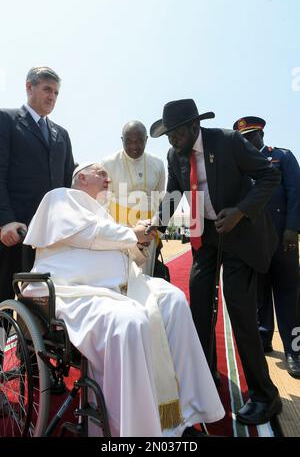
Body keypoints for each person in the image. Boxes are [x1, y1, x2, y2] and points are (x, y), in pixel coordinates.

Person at [21, 162, 225, 437]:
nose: (108, 179)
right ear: (81, 177)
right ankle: (133, 432)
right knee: (129, 321)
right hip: (75, 289)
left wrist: (138, 239)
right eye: (101, 174)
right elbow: (89, 236)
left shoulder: (102, 212)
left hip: (119, 285)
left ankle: (181, 415)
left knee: (174, 300)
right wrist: (131, 234)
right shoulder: (60, 197)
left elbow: (120, 250)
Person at [149, 99, 282, 426]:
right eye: (167, 135)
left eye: (176, 134)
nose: (171, 141)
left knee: (239, 309)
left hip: (241, 237)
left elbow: (269, 175)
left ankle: (266, 395)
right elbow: (174, 196)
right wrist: (156, 223)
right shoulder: (174, 155)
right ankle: (205, 376)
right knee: (197, 306)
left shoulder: (228, 141)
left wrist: (240, 212)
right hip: (205, 240)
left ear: (194, 127)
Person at [0, 66, 75, 302]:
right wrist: (5, 221)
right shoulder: (6, 120)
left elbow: (67, 186)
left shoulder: (61, 134)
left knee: (43, 303)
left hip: (50, 237)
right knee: (5, 300)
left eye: (55, 92)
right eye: (46, 89)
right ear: (29, 87)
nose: (51, 96)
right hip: (15, 233)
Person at [233, 116, 300, 377]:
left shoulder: (282, 157)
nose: (249, 141)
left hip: (283, 240)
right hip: (255, 242)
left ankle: (294, 351)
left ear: (261, 135)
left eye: (252, 136)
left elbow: (296, 192)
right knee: (259, 294)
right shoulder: (240, 167)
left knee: (289, 295)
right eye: (244, 139)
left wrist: (292, 229)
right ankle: (264, 339)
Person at [101, 121, 165, 275]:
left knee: (145, 281)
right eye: (128, 141)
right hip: (119, 236)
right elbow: (102, 204)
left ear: (146, 139)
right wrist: (120, 233)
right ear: (122, 140)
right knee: (120, 281)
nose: (134, 146)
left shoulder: (157, 164)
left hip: (147, 235)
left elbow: (160, 201)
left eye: (139, 141)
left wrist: (155, 233)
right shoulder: (107, 164)